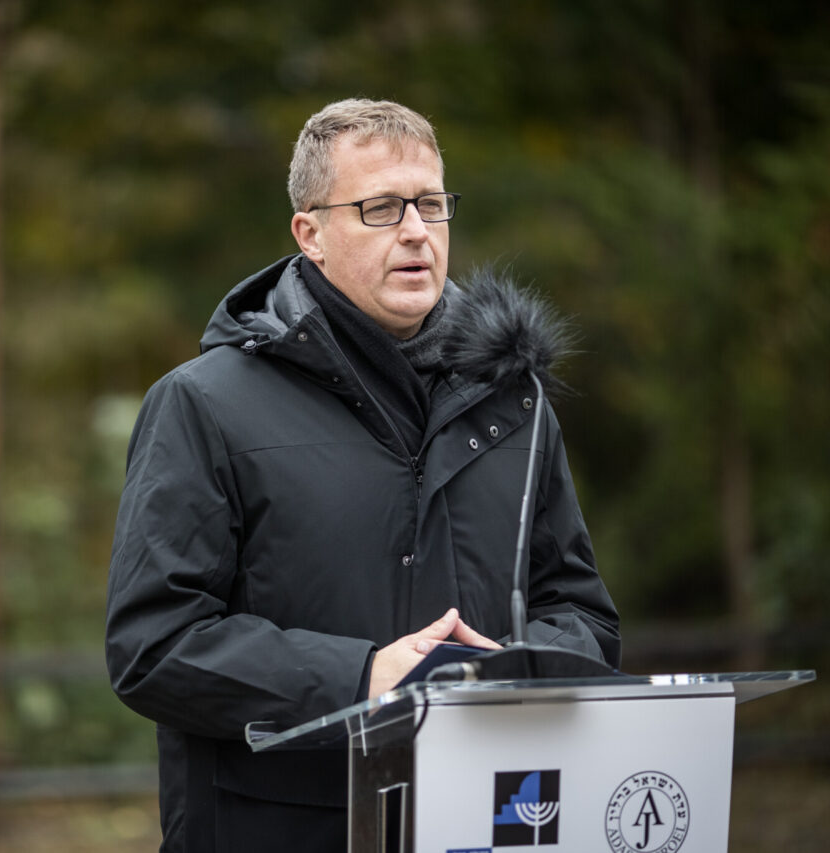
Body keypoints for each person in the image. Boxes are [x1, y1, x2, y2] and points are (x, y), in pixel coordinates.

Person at [105, 98, 620, 852]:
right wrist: (363, 675)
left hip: (482, 823)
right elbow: (154, 646)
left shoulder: (517, 404)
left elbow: (586, 619)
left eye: (431, 204)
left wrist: (505, 668)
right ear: (309, 233)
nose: (416, 230)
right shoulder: (203, 405)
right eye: (380, 207)